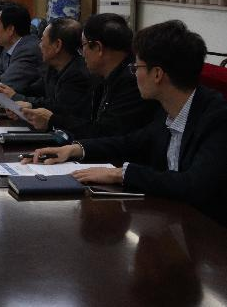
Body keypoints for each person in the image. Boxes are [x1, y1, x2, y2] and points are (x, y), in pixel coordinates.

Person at [27, 20, 227, 226]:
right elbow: (133, 141)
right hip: (173, 220)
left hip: (209, 231)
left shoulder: (217, 118)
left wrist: (121, 174)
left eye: (137, 67)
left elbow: (194, 184)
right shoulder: (167, 110)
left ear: (157, 74)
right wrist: (76, 149)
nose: (134, 74)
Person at [21, 13, 158, 139]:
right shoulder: (101, 77)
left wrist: (53, 120)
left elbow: (107, 133)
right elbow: (82, 118)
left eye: (83, 45)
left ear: (98, 48)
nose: (81, 53)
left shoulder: (132, 81)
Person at [0, 18, 92, 130]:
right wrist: (10, 101)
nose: (39, 45)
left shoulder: (77, 74)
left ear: (57, 45)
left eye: (42, 40)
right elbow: (34, 91)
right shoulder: (52, 67)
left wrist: (19, 99)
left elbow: (60, 108)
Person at [0, 3, 43, 95]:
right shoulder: (10, 46)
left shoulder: (28, 51)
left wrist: (0, 77)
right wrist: (1, 76)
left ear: (10, 29)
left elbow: (5, 85)